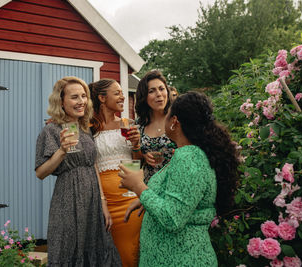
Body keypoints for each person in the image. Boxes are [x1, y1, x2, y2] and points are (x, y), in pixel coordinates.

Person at [119, 91, 240, 266]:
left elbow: (172, 218)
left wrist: (139, 187)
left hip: (181, 258)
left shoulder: (188, 157)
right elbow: (184, 199)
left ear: (175, 121)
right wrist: (151, 196)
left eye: (167, 114)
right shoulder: (190, 153)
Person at [34, 77, 121, 267]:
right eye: (74, 97)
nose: (81, 101)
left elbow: (93, 165)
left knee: (98, 249)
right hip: (68, 200)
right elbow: (40, 172)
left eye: (83, 96)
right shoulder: (50, 130)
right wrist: (61, 151)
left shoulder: (85, 128)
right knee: (70, 250)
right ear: (61, 101)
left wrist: (103, 204)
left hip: (93, 200)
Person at [89, 78, 143, 267]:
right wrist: (102, 201)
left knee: (132, 253)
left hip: (130, 197)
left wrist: (136, 146)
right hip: (105, 201)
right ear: (102, 98)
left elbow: (136, 163)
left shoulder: (128, 123)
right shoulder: (90, 128)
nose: (123, 97)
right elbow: (92, 164)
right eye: (117, 93)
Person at [135, 70, 177, 183]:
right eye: (152, 91)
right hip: (149, 187)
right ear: (144, 96)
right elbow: (135, 160)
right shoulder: (139, 125)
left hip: (175, 185)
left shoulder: (177, 120)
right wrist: (144, 156)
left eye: (161, 89)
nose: (159, 94)